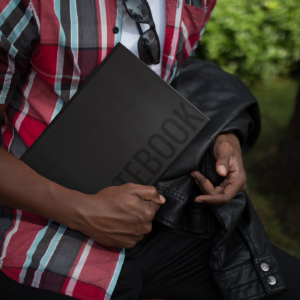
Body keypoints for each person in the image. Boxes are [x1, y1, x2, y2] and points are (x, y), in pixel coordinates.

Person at [0, 1, 299, 300]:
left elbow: (177, 70)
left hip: (162, 220)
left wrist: (225, 134)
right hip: (40, 238)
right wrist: (82, 211)